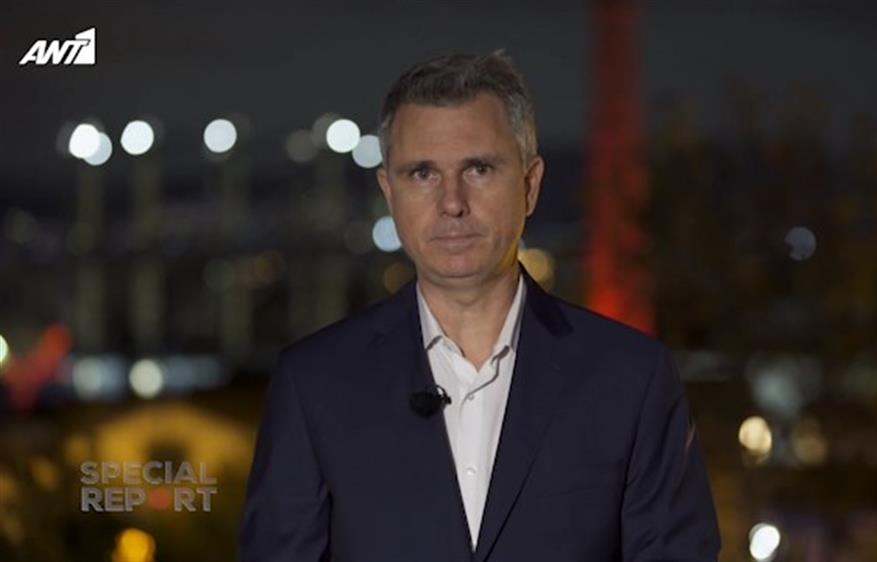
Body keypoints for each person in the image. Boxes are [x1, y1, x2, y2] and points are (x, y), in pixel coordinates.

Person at [239, 50, 720, 562]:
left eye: (479, 169)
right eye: (422, 173)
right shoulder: (313, 384)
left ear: (530, 185)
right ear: (389, 192)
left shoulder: (631, 379)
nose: (452, 202)